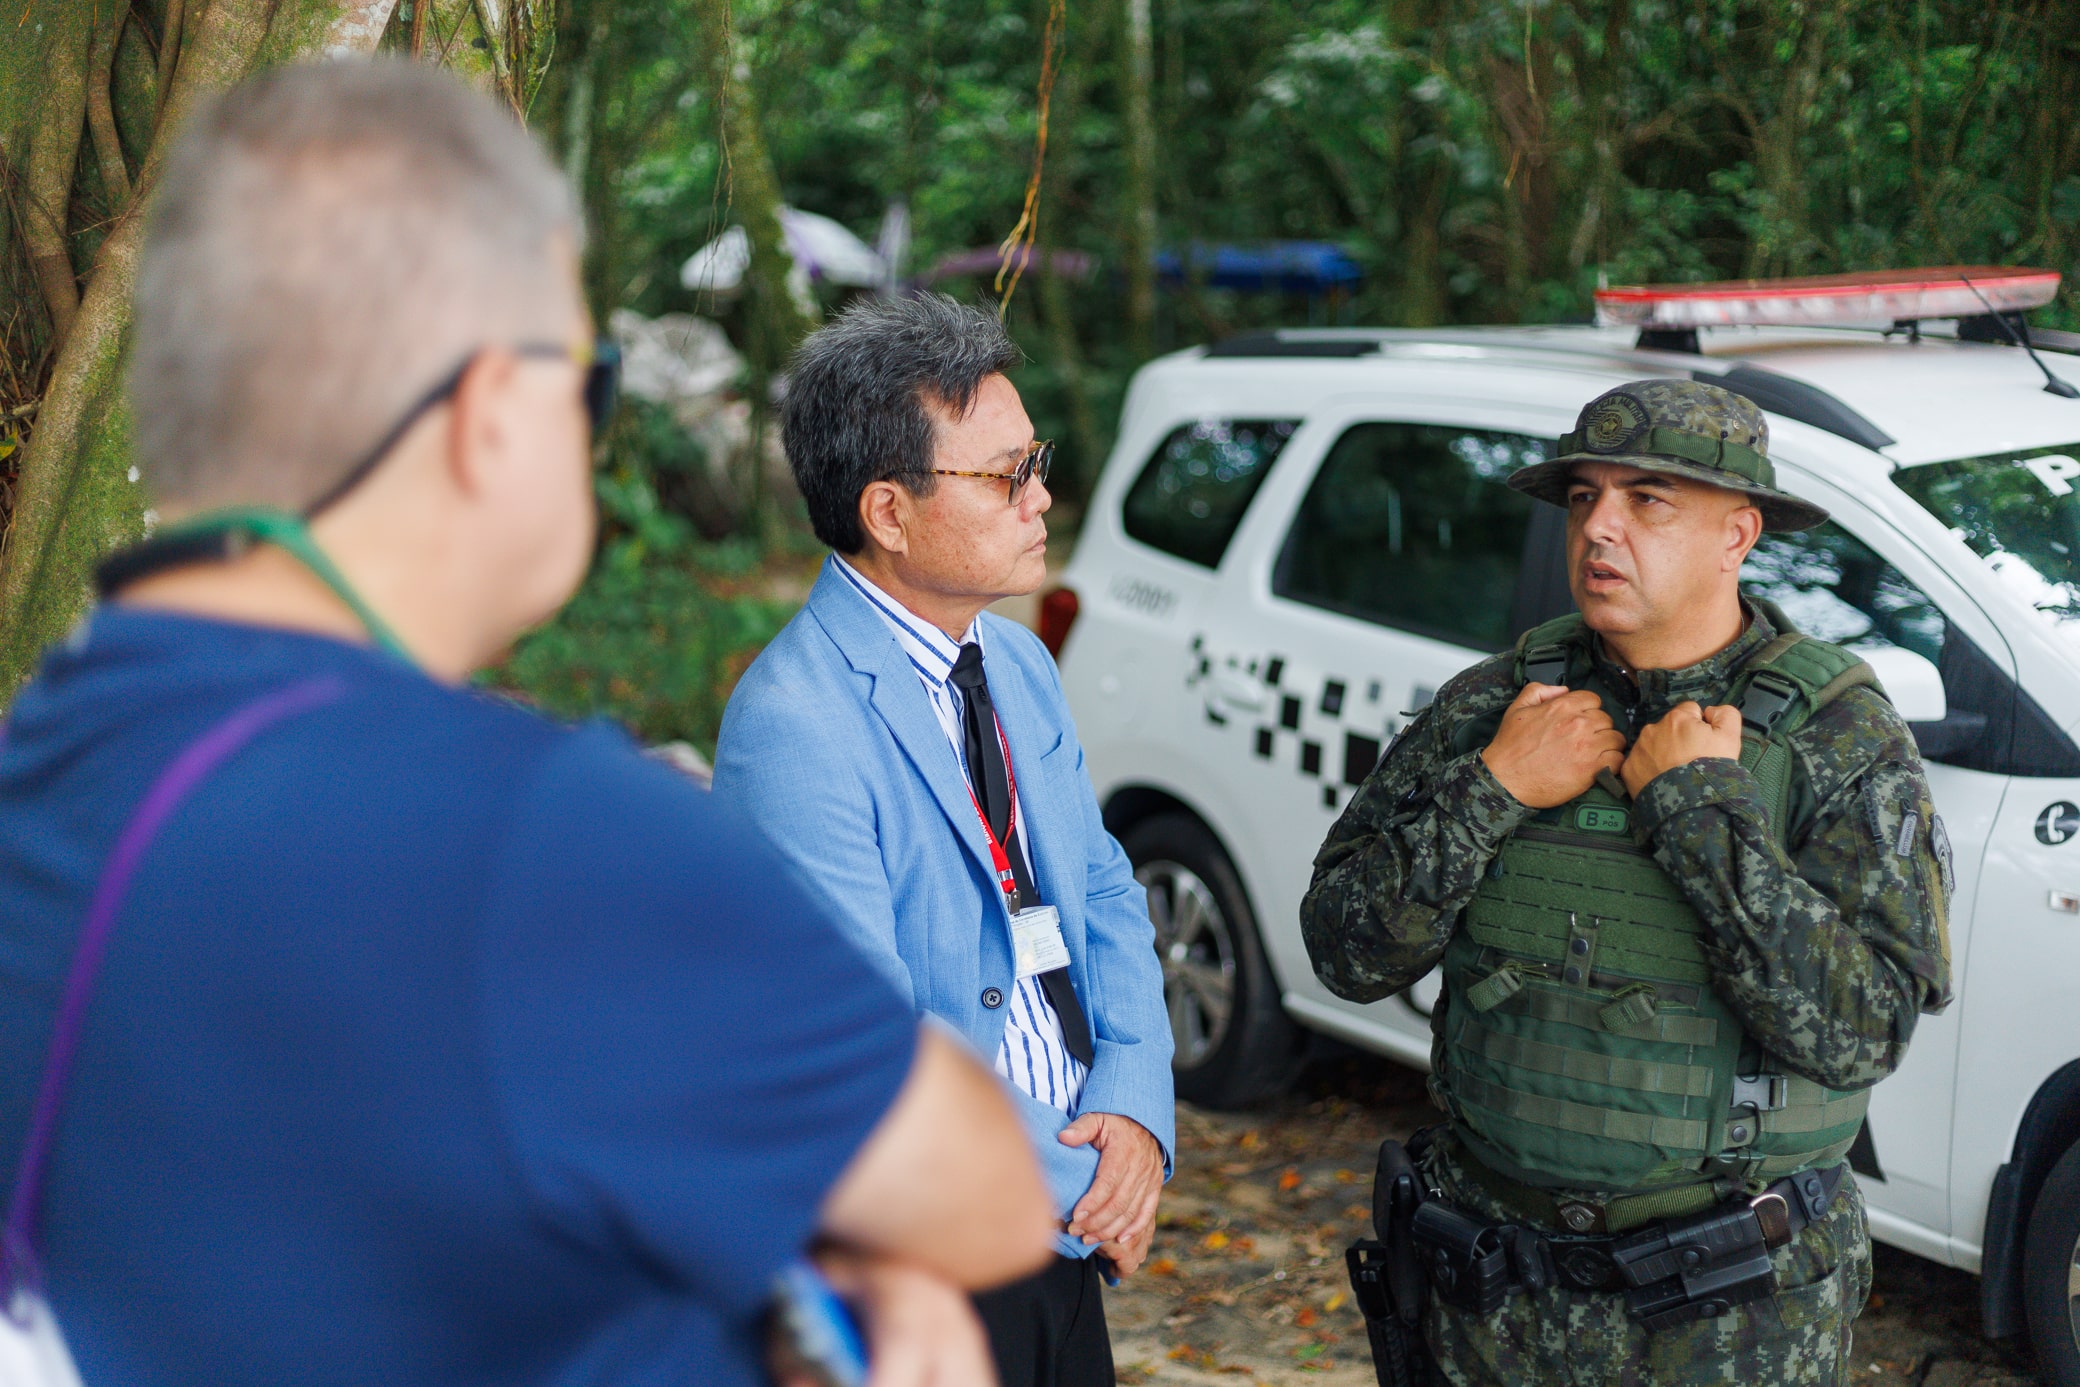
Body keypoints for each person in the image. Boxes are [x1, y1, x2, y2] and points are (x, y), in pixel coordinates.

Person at [0, 61, 1057, 1387]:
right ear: (495, 412)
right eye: (591, 383)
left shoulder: (48, 757)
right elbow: (981, 1190)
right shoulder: (539, 832)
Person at [1304, 380, 1952, 1386]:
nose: (1599, 526)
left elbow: (1862, 1029)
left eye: (1647, 498)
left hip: (1728, 1315)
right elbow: (1343, 951)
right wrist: (1494, 786)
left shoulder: (1835, 734)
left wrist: (1701, 811)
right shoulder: (1495, 705)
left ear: (1737, 533)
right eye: (1581, 498)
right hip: (1490, 1295)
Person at [713, 293, 1175, 1387]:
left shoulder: (1014, 662)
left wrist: (1135, 1105)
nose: (1042, 497)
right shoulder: (793, 724)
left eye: (1036, 461)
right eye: (1004, 474)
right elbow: (861, 1038)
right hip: (929, 1246)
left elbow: (1101, 891)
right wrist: (1090, 1196)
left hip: (1067, 1203)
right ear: (888, 510)